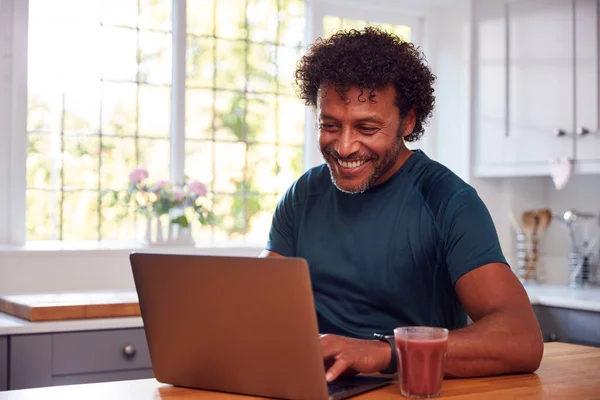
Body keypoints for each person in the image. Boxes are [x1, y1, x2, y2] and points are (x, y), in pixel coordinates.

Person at [259, 27, 543, 382]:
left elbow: (522, 340)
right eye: (330, 125)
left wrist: (384, 352)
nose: (345, 147)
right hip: (312, 383)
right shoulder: (303, 194)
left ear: (407, 121)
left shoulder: (449, 202)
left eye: (367, 128)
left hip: (403, 387)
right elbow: (261, 305)